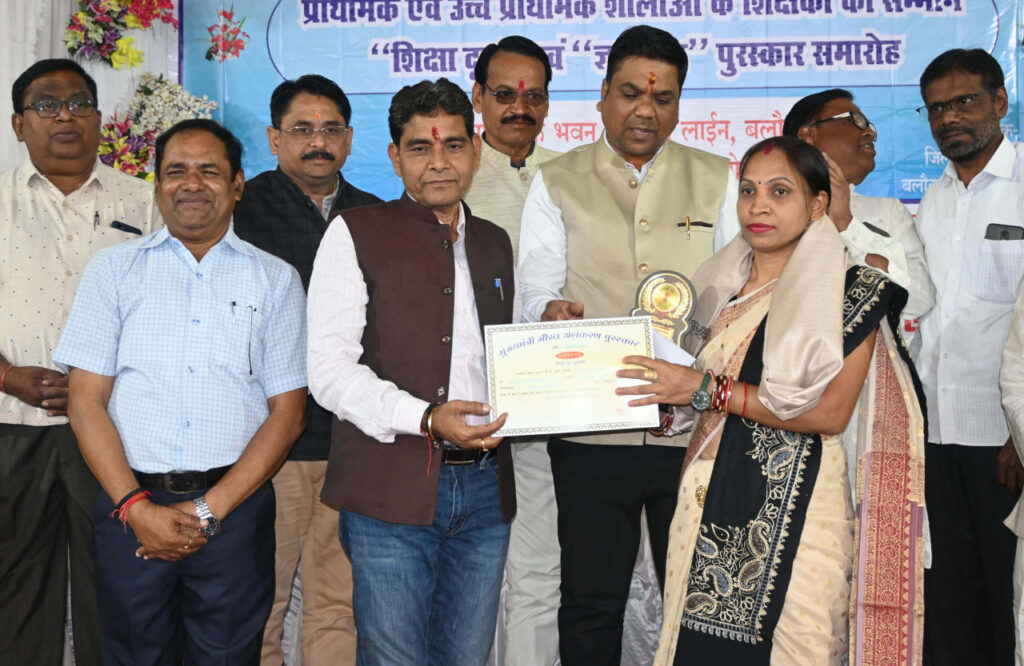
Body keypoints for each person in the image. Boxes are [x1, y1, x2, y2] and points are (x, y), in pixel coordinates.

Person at [616, 136, 925, 665]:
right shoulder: (715, 289)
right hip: (704, 498)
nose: (759, 206)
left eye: (780, 192)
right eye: (748, 191)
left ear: (818, 204)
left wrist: (705, 390)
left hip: (803, 513)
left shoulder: (850, 290)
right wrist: (670, 404)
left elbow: (830, 413)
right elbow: (700, 397)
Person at [517, 24, 739, 663]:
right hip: (592, 429)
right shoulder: (556, 179)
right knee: (591, 600)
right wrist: (548, 310)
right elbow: (535, 287)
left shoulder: (720, 177)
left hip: (694, 429)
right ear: (602, 97)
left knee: (698, 603)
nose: (645, 110)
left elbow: (740, 291)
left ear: (679, 104)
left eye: (662, 98)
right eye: (630, 93)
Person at [54, 119, 308, 664]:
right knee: (134, 655)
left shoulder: (276, 279)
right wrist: (135, 507)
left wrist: (209, 511)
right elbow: (85, 401)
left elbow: (287, 414)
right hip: (129, 511)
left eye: (209, 171)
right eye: (176, 171)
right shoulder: (114, 271)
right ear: (157, 185)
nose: (192, 183)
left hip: (234, 513)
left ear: (237, 184)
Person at [307, 78, 517, 665]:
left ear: (476, 150)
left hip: (485, 490)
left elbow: (501, 357)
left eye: (454, 145)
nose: (439, 162)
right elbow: (328, 371)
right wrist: (426, 418)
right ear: (395, 156)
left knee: (467, 658)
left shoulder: (495, 242)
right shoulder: (355, 232)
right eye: (420, 148)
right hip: (389, 489)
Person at [0, 58, 161, 666]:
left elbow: (172, 310)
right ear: (19, 124)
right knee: (16, 591)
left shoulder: (146, 203)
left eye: (79, 104)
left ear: (99, 118)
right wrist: (7, 376)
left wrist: (102, 385)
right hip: (12, 429)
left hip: (118, 431)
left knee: (117, 590)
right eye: (46, 105)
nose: (64, 116)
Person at [233, 73, 381, 666]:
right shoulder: (240, 214)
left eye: (330, 130)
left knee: (338, 604)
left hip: (352, 443)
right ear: (274, 138)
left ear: (349, 139)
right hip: (269, 445)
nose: (318, 142)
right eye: (302, 130)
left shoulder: (375, 217)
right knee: (259, 602)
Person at [914, 48, 1024, 666]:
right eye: (936, 109)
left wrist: (1021, 434)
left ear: (1000, 102)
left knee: (1010, 601)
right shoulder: (932, 201)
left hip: (1005, 443)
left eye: (964, 102)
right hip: (936, 436)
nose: (949, 118)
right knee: (950, 602)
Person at [464, 35, 561, 665]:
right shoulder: (451, 173)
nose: (519, 108)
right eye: (504, 94)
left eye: (533, 97)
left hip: (556, 403)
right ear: (478, 97)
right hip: (469, 407)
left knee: (539, 567)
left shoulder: (570, 175)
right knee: (467, 573)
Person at [783, 88, 934, 352]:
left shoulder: (888, 213)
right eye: (855, 121)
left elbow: (919, 298)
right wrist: (878, 264)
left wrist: (847, 225)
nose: (870, 132)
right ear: (809, 136)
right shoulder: (773, 216)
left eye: (869, 124)